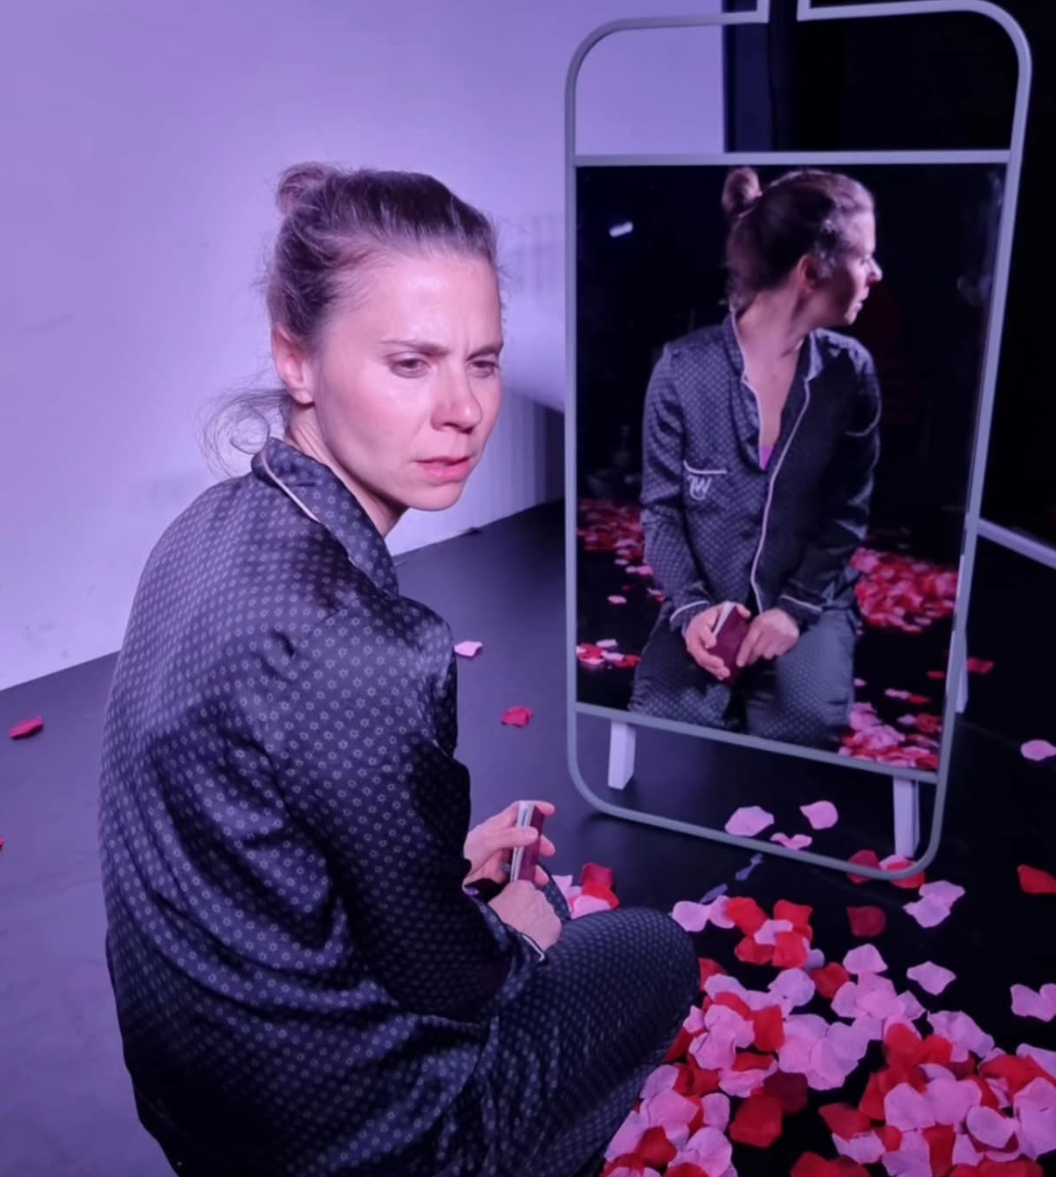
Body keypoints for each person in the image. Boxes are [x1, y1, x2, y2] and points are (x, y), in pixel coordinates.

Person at [97, 163, 698, 1177]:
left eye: (483, 361)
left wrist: (436, 860)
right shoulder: (366, 643)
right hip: (342, 1140)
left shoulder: (203, 527)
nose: (463, 409)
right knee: (641, 949)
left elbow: (254, 829)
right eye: (411, 363)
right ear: (297, 359)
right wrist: (512, 936)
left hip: (189, 1100)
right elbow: (447, 978)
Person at [629, 166, 884, 750]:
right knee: (667, 718)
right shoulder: (683, 371)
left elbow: (846, 511)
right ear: (810, 273)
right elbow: (662, 511)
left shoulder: (849, 374)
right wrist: (693, 609)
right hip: (706, 595)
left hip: (805, 594)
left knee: (800, 727)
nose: (875, 274)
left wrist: (793, 609)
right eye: (864, 258)